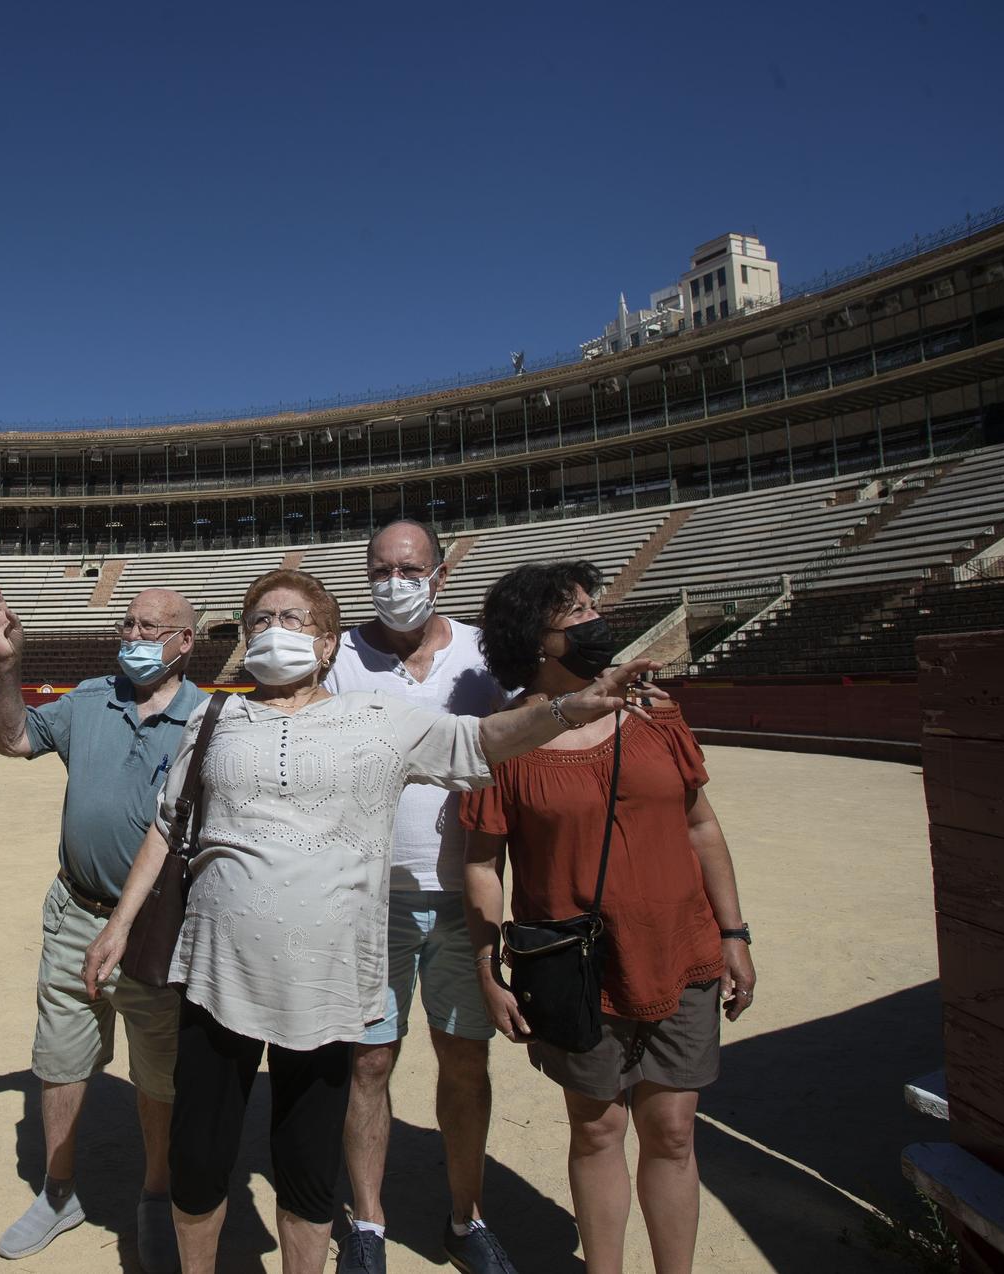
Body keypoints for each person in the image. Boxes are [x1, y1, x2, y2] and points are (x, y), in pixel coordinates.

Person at [83, 569, 662, 1274]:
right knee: (200, 1156)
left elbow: (483, 742)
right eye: (258, 619)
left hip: (327, 981)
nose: (272, 631)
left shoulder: (380, 720)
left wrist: (568, 708)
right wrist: (121, 922)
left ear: (328, 644)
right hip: (216, 973)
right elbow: (168, 825)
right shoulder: (215, 717)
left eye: (292, 619)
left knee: (306, 1162)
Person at [460, 561, 756, 1274]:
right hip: (575, 967)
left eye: (594, 606)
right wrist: (488, 967)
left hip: (679, 948)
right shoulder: (504, 740)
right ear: (535, 641)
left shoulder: (656, 711)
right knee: (597, 1128)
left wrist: (734, 933)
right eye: (577, 614)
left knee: (674, 1128)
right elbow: (481, 864)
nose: (597, 623)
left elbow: (701, 828)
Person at [0, 585, 208, 1272]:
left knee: (158, 1068)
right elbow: (12, 738)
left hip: (160, 928)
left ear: (185, 642)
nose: (133, 635)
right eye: (127, 622)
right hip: (77, 911)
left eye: (151, 627)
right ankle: (58, 1192)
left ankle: (156, 1193)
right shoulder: (89, 698)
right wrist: (6, 666)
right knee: (60, 1056)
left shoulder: (209, 719)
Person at [323, 522, 513, 1274]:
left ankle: (465, 1218)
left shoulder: (482, 655)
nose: (393, 581)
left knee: (466, 1061)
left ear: (438, 574)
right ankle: (368, 1226)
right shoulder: (338, 657)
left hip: (468, 894)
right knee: (369, 1063)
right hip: (369, 898)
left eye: (408, 568)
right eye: (380, 569)